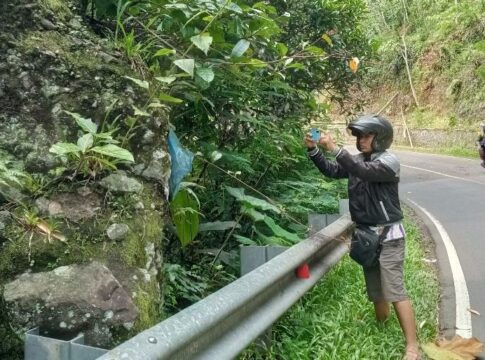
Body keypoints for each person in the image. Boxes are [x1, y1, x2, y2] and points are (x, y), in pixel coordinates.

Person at [304, 114, 419, 360]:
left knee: (394, 288)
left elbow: (364, 172)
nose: (362, 140)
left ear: (381, 137)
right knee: (375, 287)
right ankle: (381, 325)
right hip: (366, 234)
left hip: (390, 235)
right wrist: (313, 151)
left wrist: (335, 148)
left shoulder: (389, 162)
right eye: (359, 136)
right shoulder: (357, 161)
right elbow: (333, 171)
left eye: (367, 135)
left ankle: (412, 346)